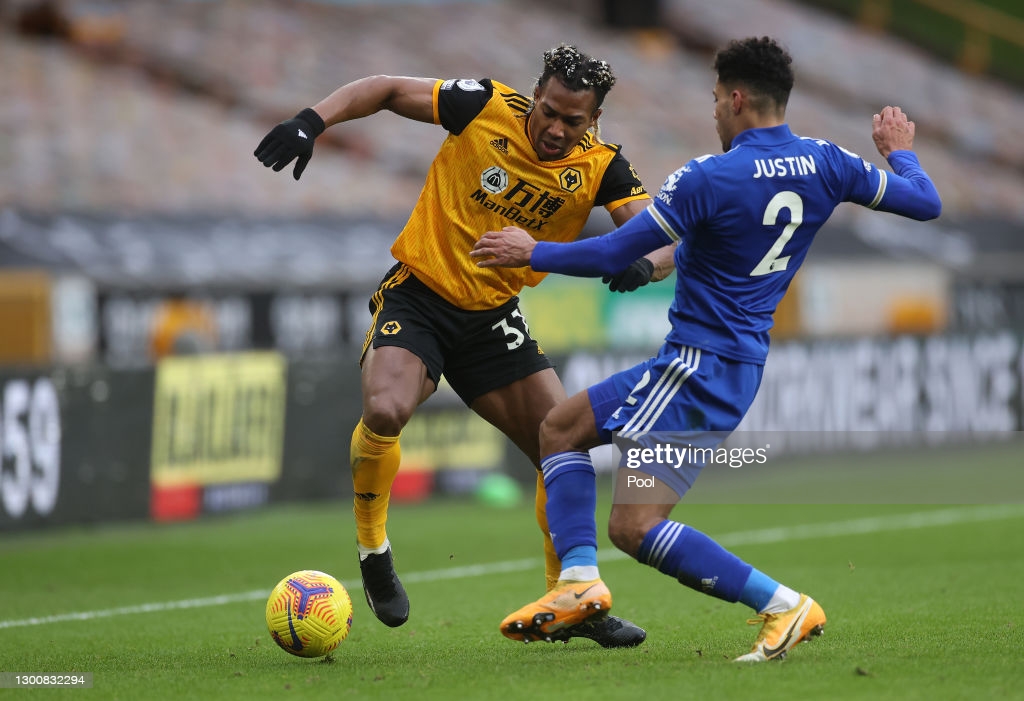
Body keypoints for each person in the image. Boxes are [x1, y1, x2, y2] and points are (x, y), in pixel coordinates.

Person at [471, 36, 941, 660]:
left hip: (700, 362)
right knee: (560, 427)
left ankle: (782, 605)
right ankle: (579, 584)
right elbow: (926, 202)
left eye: (717, 99)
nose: (714, 111)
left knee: (632, 525)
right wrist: (900, 154)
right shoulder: (829, 162)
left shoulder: (709, 174)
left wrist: (533, 252)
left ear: (738, 98)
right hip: (731, 362)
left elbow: (614, 250)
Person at [255, 44, 675, 646]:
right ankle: (373, 547)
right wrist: (310, 121)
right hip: (419, 297)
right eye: (548, 111)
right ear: (535, 96)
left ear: (595, 121)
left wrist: (647, 268)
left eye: (572, 120)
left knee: (560, 444)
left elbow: (661, 236)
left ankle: (571, 598)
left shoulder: (603, 166)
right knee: (386, 408)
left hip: (492, 320)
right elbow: (382, 86)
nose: (556, 129)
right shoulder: (481, 106)